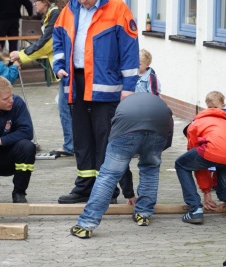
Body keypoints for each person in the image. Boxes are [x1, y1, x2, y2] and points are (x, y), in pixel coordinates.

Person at [53, 0, 139, 204]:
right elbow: (57, 38)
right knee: (81, 137)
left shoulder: (118, 9)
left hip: (106, 85)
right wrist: (58, 65)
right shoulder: (69, 9)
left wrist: (128, 88)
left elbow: (129, 50)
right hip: (76, 81)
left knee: (105, 138)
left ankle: (107, 189)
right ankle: (84, 186)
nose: (82, 1)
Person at [70, 93, 174, 238]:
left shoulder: (121, 108)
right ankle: (143, 214)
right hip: (159, 126)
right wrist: (153, 154)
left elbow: (119, 166)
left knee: (109, 175)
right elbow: (167, 139)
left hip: (128, 127)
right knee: (150, 170)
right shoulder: (158, 103)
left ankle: (86, 225)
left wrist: (128, 191)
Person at [9, 0, 73, 157]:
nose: (33, 5)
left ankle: (71, 145)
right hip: (64, 68)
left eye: (35, 1)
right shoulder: (52, 13)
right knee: (68, 109)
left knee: (66, 109)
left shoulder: (56, 13)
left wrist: (22, 55)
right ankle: (74, 143)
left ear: (45, 1)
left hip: (65, 68)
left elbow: (48, 43)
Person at [204, 90, 226, 189]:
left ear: (223, 105)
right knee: (208, 166)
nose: (213, 110)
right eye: (209, 108)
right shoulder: (206, 117)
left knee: (225, 166)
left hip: (225, 145)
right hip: (211, 144)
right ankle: (209, 183)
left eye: (216, 107)